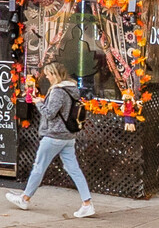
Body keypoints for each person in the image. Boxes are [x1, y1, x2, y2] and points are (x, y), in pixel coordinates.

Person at [6, 65, 95, 218]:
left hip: (54, 136)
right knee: (74, 169)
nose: (46, 77)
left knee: (39, 167)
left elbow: (49, 113)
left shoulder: (58, 91)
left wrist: (38, 102)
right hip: (68, 136)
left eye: (48, 74)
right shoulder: (71, 89)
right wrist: (43, 100)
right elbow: (62, 109)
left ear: (54, 74)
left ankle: (24, 199)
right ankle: (87, 203)